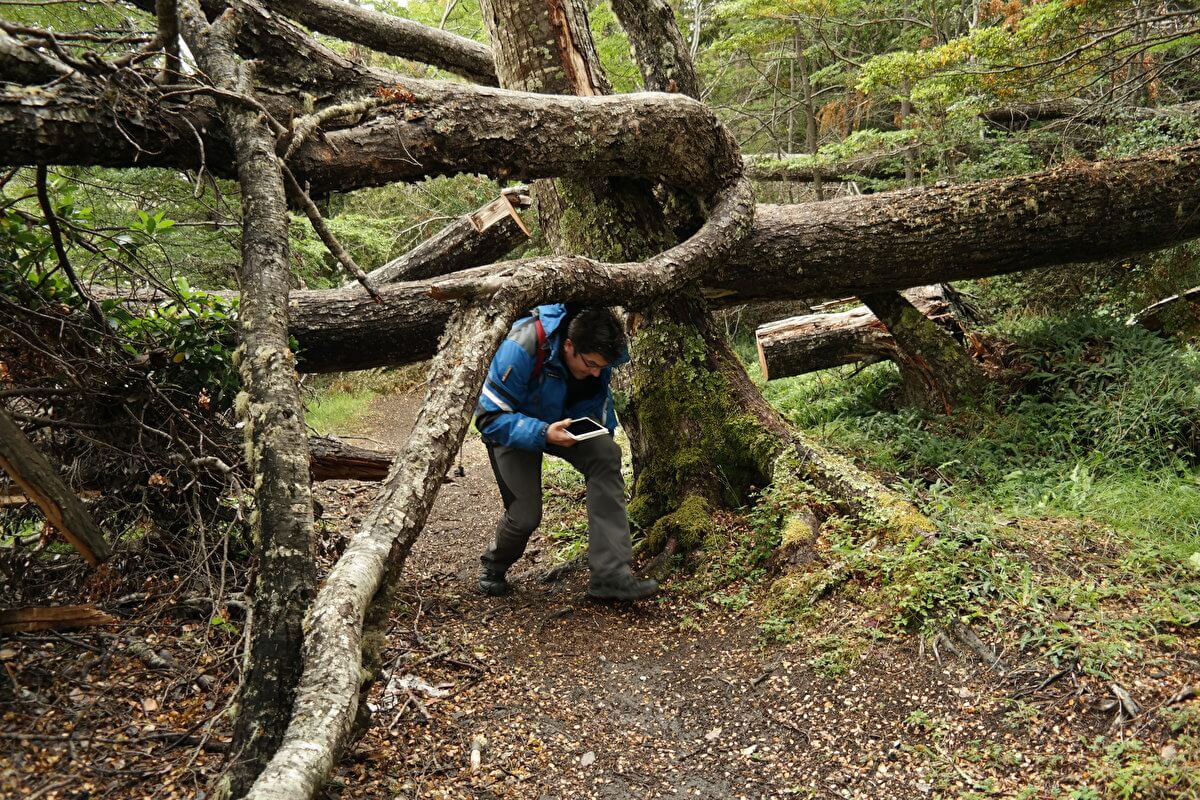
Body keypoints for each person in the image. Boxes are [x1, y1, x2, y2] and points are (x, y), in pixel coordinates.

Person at [473, 304, 659, 602]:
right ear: (569, 345)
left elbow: (597, 404)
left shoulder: (597, 358)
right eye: (590, 364)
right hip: (514, 427)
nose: (596, 372)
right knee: (525, 516)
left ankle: (610, 576)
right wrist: (543, 432)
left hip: (567, 426)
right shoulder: (521, 346)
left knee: (605, 454)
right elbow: (488, 418)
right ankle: (493, 565)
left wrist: (592, 434)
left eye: (602, 366)